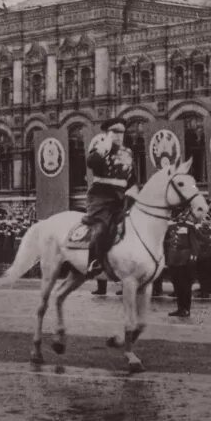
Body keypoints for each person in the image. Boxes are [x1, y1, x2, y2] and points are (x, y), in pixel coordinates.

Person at [85, 117, 135, 295]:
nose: (119, 136)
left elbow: (132, 177)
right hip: (101, 196)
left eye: (122, 132)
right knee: (101, 228)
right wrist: (104, 148)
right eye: (115, 132)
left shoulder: (128, 152)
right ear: (107, 133)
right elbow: (92, 164)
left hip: (122, 197)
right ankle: (94, 262)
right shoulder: (100, 146)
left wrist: (134, 190)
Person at [164, 210, 201, 317]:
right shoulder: (170, 226)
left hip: (185, 259)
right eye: (178, 212)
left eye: (182, 213)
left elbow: (194, 243)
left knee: (185, 285)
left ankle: (186, 309)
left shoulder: (189, 226)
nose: (180, 215)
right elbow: (167, 242)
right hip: (173, 258)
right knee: (176, 284)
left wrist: (193, 257)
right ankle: (180, 308)